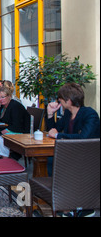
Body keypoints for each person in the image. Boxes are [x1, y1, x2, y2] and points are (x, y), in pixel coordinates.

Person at [45, 83, 100, 217]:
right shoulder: (68, 114)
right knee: (52, 159)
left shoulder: (90, 114)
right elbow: (53, 129)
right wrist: (50, 114)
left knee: (56, 161)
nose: (59, 103)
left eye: (60, 100)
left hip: (88, 156)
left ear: (68, 101)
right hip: (73, 153)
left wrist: (59, 135)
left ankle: (83, 206)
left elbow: (83, 138)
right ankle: (65, 204)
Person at [0, 86, 30, 158]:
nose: (1, 99)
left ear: (9, 96)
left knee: (1, 139)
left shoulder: (15, 106)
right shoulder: (3, 106)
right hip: (8, 129)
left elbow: (16, 126)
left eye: (3, 97)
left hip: (19, 131)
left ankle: (4, 159)